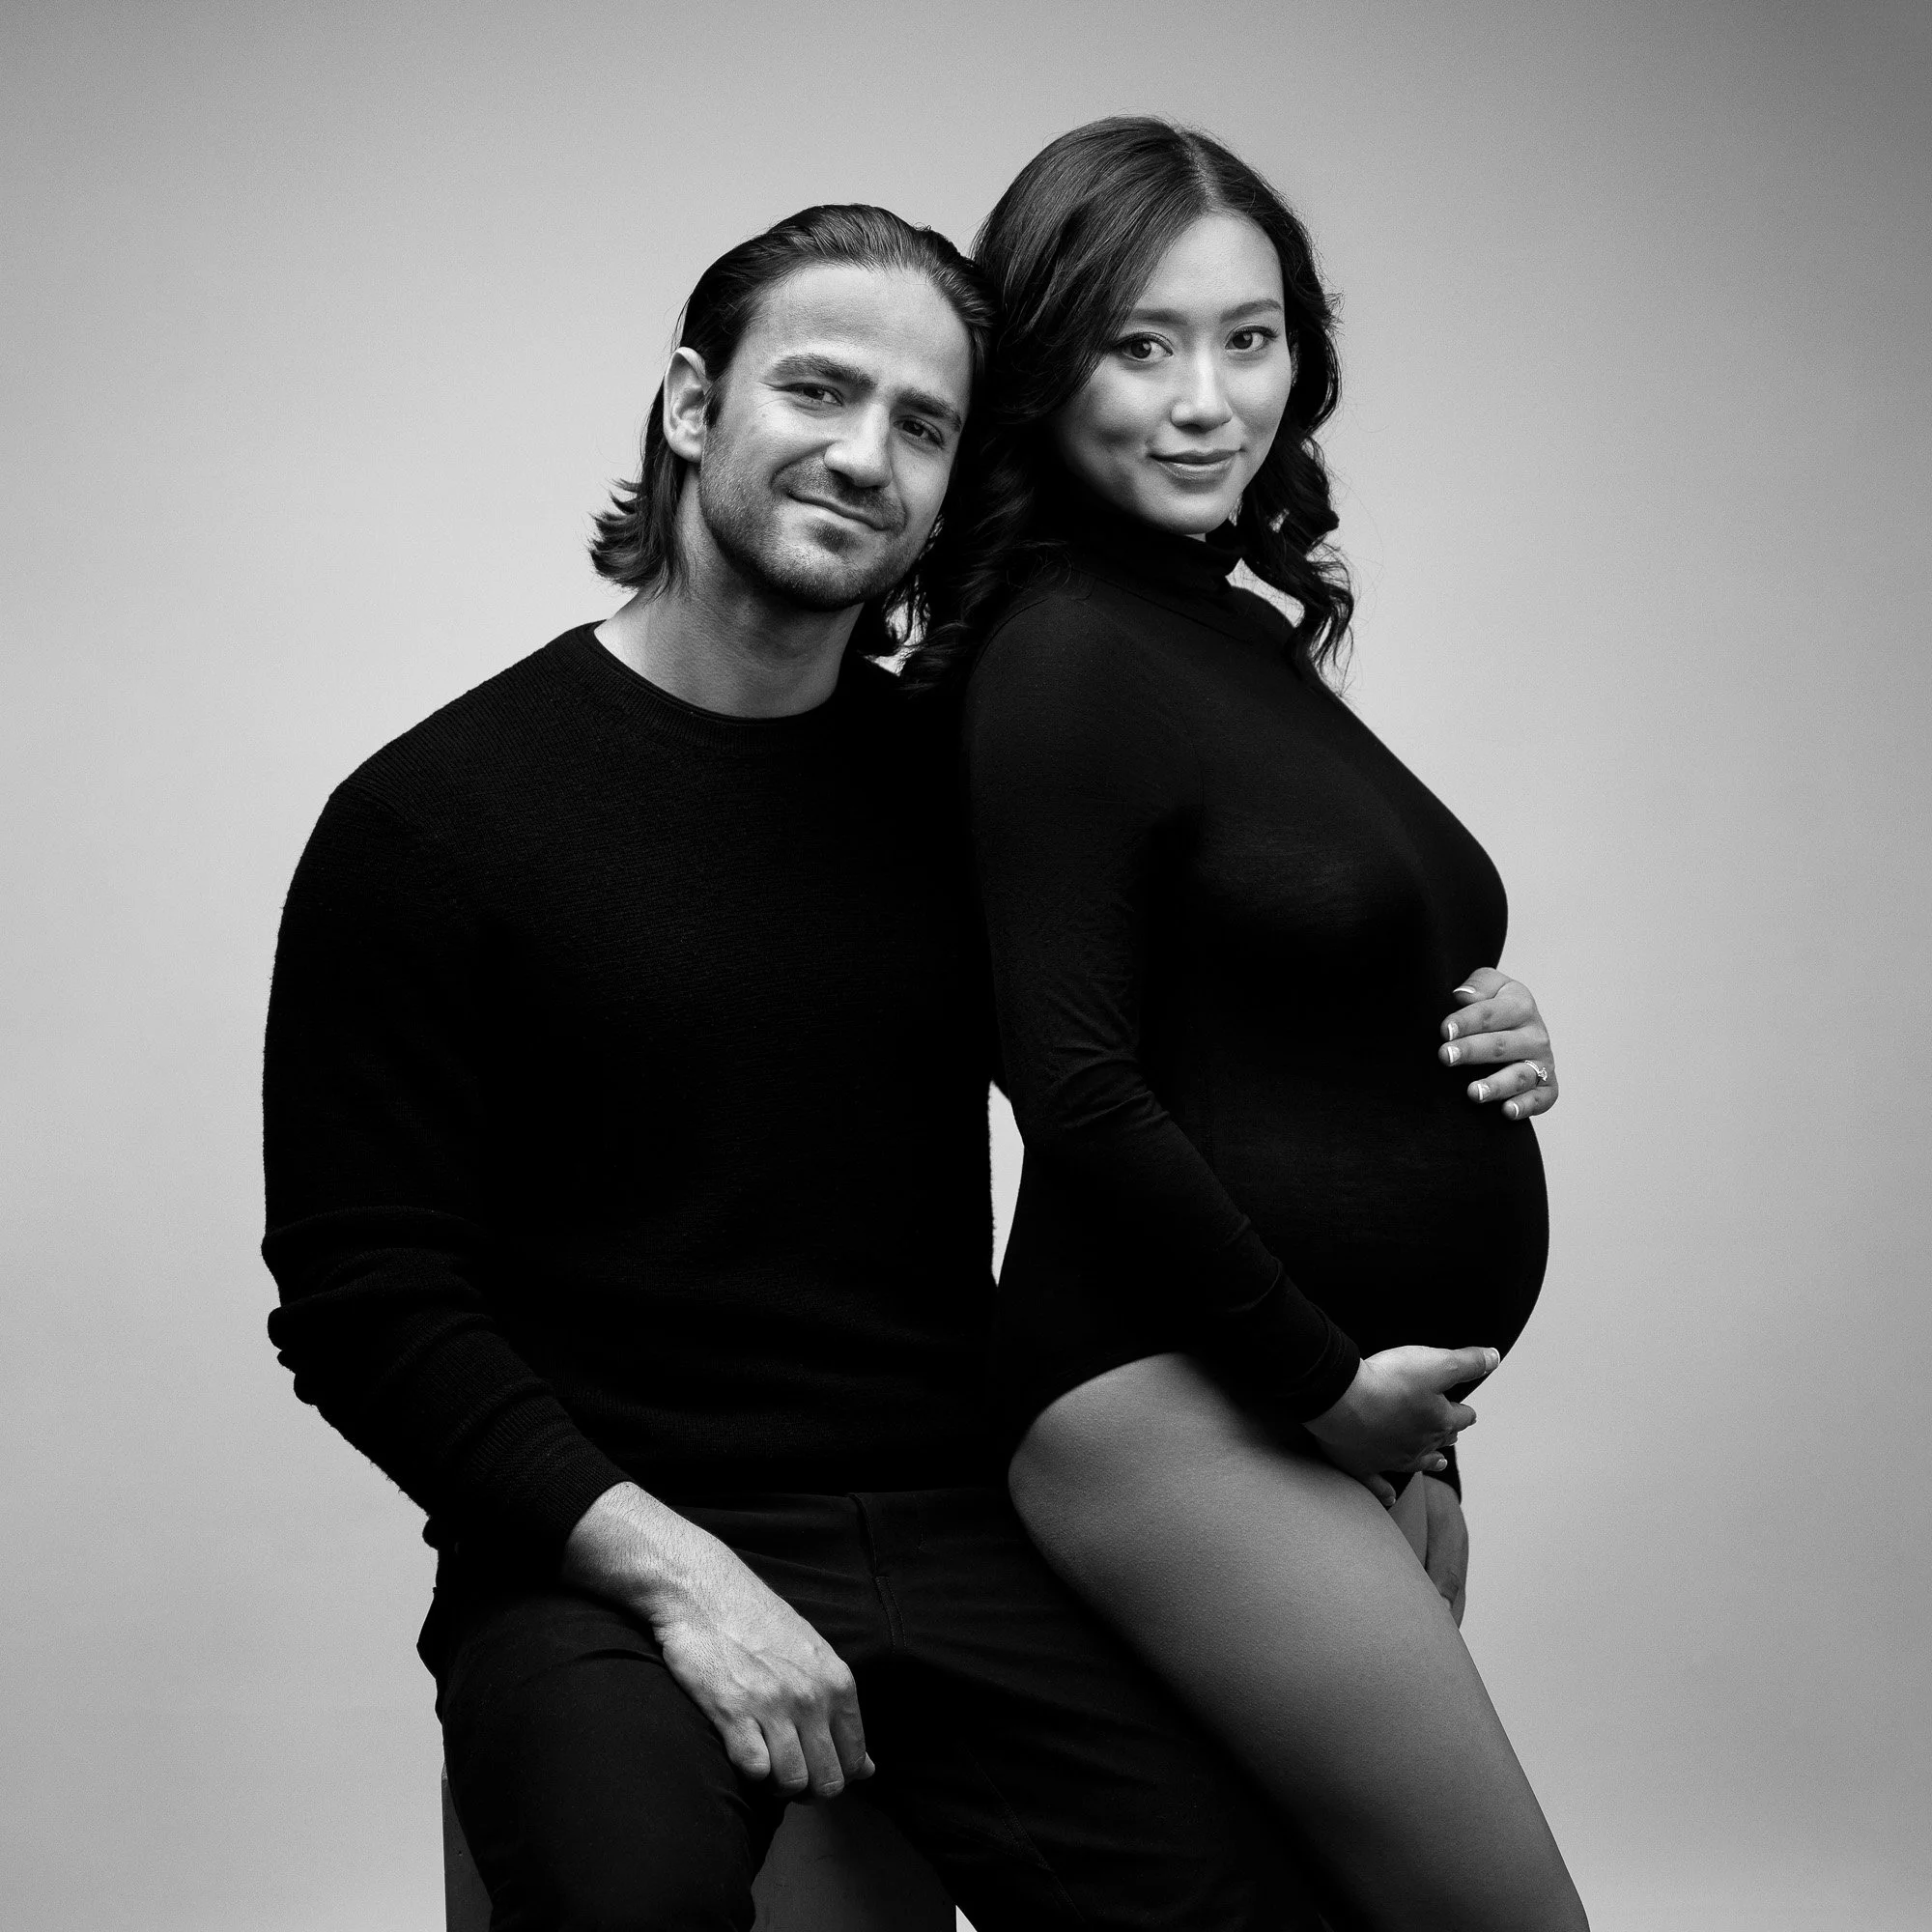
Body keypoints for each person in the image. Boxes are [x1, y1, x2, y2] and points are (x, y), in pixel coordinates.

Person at [261, 203, 1312, 1932]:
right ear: (690, 407)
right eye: (819, 390)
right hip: (601, 1546)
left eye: (923, 424)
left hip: (971, 1520)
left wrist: (1456, 1022)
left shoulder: (967, 791)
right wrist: (677, 1577)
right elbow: (364, 1304)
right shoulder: (428, 822)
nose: (865, 455)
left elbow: (1174, 1069)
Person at [942, 121, 1590, 1929]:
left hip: (1341, 1405)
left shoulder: (1223, 629)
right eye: (1140, 344)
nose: (1208, 400)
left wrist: (1481, 1024)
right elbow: (1070, 1081)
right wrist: (1323, 1385)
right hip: (1198, 1401)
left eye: (1250, 337)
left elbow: (1271, 964)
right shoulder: (1065, 652)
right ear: (1042, 361)